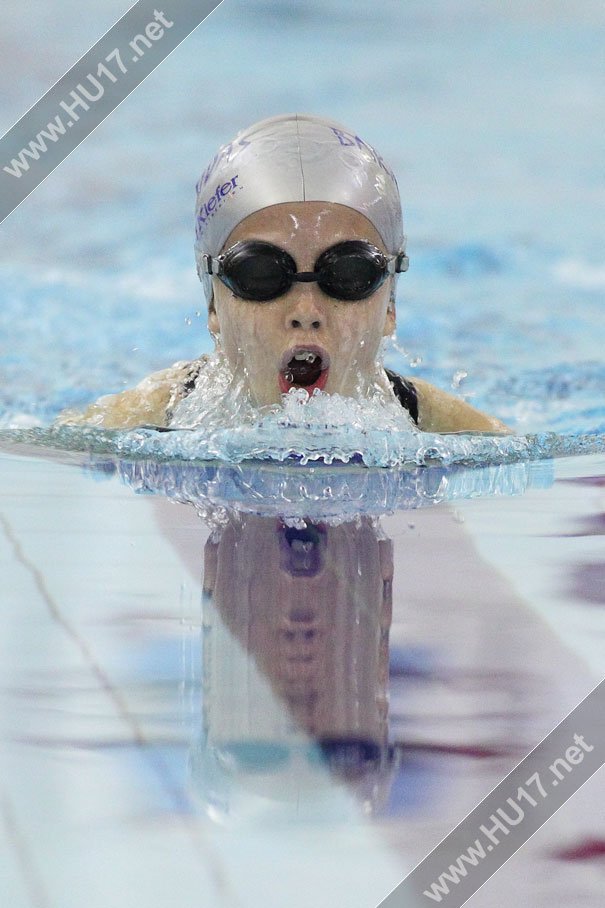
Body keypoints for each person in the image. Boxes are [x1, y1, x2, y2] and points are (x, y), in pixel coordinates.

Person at [59, 114, 510, 433]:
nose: (306, 312)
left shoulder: (452, 431)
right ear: (213, 303)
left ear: (390, 303)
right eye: (260, 274)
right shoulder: (142, 419)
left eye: (350, 273)